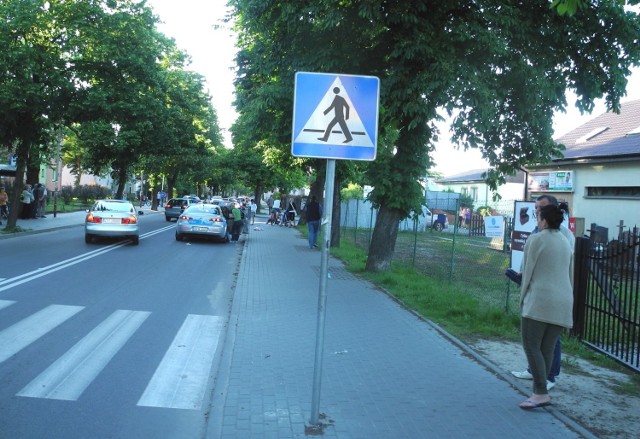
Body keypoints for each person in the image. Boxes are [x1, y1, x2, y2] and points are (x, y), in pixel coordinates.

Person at [512, 195, 575, 387]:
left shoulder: (563, 235)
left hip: (541, 296)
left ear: (550, 212)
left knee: (540, 345)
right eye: (536, 208)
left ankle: (547, 380)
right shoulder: (542, 232)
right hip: (558, 296)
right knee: (543, 345)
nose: (537, 212)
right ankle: (537, 376)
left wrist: (523, 299)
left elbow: (554, 267)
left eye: (541, 209)